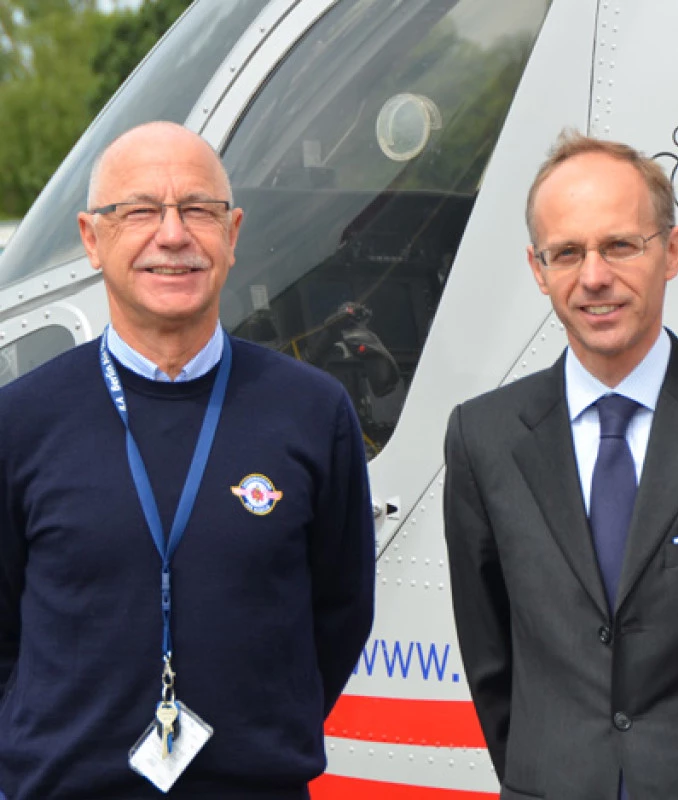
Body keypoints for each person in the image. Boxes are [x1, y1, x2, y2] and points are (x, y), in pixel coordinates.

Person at [0, 121, 375, 799]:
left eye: (197, 210)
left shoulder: (313, 414)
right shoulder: (19, 421)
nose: (172, 235)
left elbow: (340, 613)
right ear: (92, 238)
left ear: (232, 236)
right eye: (140, 210)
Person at [443, 132, 678, 800]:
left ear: (672, 251)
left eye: (619, 245)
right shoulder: (481, 438)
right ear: (537, 268)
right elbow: (492, 663)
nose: (594, 276)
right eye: (568, 252)